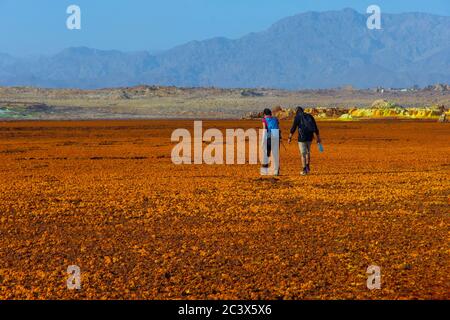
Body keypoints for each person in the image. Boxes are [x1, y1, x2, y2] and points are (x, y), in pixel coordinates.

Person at [288, 107, 321, 175]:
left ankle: (304, 170)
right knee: (307, 152)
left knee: (302, 154)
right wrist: (318, 137)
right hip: (309, 137)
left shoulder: (297, 117)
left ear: (297, 111)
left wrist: (290, 137)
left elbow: (293, 127)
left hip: (302, 138)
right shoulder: (310, 116)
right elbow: (315, 127)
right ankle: (307, 167)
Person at [261, 108, 280, 176]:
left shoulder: (264, 120)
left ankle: (264, 171)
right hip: (276, 137)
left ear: (265, 114)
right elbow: (278, 127)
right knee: (275, 154)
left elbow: (264, 130)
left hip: (269, 138)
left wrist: (262, 141)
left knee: (266, 154)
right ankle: (276, 171)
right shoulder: (275, 119)